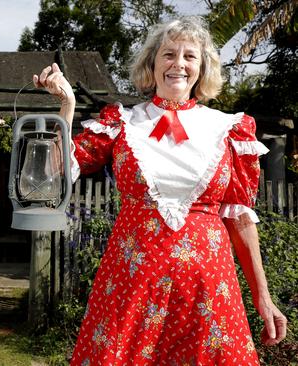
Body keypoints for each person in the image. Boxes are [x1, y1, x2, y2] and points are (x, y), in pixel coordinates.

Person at [33, 17, 287, 365]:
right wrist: (67, 105)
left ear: (202, 68)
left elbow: (240, 218)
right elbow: (56, 173)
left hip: (207, 290)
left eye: (189, 56)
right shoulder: (122, 122)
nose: (178, 64)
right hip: (132, 285)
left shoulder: (229, 128)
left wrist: (263, 296)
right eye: (169, 54)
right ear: (152, 63)